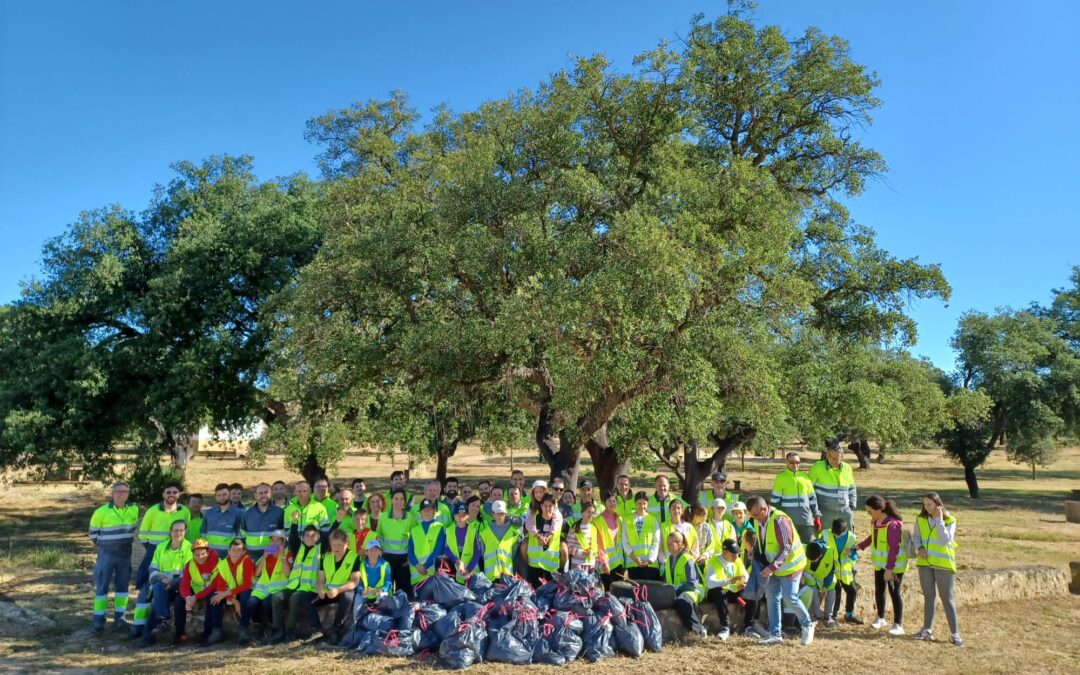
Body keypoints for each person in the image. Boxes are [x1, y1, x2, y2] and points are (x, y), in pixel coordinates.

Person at [746, 495, 814, 646]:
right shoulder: (759, 521)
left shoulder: (779, 520)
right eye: (753, 516)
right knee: (772, 597)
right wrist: (754, 550)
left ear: (765, 509)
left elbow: (786, 548)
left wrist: (771, 568)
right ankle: (775, 634)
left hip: (791, 566)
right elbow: (762, 540)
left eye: (757, 515)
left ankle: (807, 625)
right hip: (774, 567)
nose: (755, 519)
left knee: (790, 597)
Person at [133, 481, 190, 637]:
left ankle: (156, 623)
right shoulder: (152, 511)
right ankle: (137, 625)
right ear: (163, 494)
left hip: (176, 550)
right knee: (145, 589)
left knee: (158, 589)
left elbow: (185, 530)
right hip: (155, 551)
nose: (171, 495)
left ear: (179, 494)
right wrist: (153, 548)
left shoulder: (184, 511)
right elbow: (143, 534)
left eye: (174, 492)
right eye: (168, 492)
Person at [89, 481, 139, 632]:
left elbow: (135, 530)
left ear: (128, 494)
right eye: (118, 491)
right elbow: (93, 534)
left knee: (123, 586)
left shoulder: (133, 509)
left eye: (124, 491)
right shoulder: (101, 511)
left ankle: (120, 618)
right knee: (102, 585)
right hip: (107, 554)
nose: (121, 494)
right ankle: (99, 619)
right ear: (112, 493)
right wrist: (106, 546)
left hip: (125, 554)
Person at [913, 492, 962, 646]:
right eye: (924, 505)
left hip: (943, 564)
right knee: (929, 597)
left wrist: (939, 520)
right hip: (924, 563)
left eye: (929, 504)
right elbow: (916, 536)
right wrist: (919, 548)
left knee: (947, 598)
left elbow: (945, 540)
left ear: (937, 504)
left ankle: (955, 634)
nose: (927, 508)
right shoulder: (920, 519)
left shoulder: (950, 520)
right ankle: (927, 629)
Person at [856, 495, 907, 636]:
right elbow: (873, 538)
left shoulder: (893, 525)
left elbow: (894, 548)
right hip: (880, 564)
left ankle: (898, 624)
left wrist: (889, 569)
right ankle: (881, 617)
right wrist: (859, 547)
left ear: (878, 509)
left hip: (894, 566)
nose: (868, 514)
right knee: (879, 590)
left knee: (894, 592)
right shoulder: (875, 522)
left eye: (869, 511)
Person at [141, 520, 192, 645]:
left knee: (169, 600)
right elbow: (152, 568)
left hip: (182, 586)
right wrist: (163, 579)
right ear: (170, 532)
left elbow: (188, 573)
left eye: (181, 530)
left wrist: (173, 583)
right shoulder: (161, 547)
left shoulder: (189, 548)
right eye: (175, 530)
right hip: (163, 586)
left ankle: (160, 627)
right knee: (158, 589)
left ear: (185, 532)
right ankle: (161, 623)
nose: (178, 533)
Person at [271, 524, 323, 644]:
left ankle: (290, 633)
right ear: (303, 537)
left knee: (295, 598)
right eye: (307, 536)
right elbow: (293, 537)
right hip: (293, 585)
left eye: (313, 536)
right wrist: (294, 523)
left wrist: (338, 519)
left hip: (309, 588)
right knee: (276, 597)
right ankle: (277, 631)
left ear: (318, 537)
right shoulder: (299, 548)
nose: (309, 538)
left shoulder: (321, 549)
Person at [314, 528, 362, 645]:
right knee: (305, 599)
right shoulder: (326, 557)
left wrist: (338, 590)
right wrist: (320, 588)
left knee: (348, 597)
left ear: (346, 544)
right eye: (333, 544)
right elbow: (320, 578)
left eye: (339, 544)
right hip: (328, 591)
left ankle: (336, 629)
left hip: (343, 590)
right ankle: (316, 630)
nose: (336, 548)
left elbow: (354, 581)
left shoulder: (354, 557)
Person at [247, 530, 291, 643]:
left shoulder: (288, 554)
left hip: (278, 589)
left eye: (278, 540)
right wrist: (264, 557)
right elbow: (256, 573)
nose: (275, 542)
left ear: (283, 542)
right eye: (273, 540)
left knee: (267, 603)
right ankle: (258, 626)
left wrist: (282, 556)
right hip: (263, 589)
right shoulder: (266, 554)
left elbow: (287, 574)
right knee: (251, 603)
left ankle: (270, 628)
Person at [211, 537, 255, 646]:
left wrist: (227, 594)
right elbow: (220, 588)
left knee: (245, 597)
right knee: (215, 598)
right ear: (228, 551)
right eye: (233, 550)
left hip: (244, 590)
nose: (235, 552)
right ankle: (216, 631)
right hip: (231, 593)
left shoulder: (247, 561)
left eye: (239, 550)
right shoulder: (223, 564)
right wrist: (234, 602)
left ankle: (243, 630)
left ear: (244, 552)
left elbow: (247, 585)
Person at [175, 538, 220, 646]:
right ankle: (179, 634)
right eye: (197, 555)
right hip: (196, 591)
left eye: (203, 554)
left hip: (212, 590)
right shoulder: (190, 564)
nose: (200, 557)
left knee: (212, 599)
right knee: (178, 600)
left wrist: (196, 597)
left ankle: (207, 634)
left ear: (208, 552)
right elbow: (184, 583)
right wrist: (187, 598)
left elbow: (214, 584)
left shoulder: (218, 562)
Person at [771, 451, 822, 545]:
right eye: (792, 462)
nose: (795, 465)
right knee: (791, 547)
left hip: (806, 521)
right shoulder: (780, 478)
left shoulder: (805, 478)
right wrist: (775, 518)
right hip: (788, 521)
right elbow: (775, 501)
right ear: (786, 462)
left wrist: (817, 516)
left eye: (797, 462)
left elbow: (812, 499)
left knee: (809, 547)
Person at [662, 532, 707, 637]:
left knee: (682, 601)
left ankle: (699, 630)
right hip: (676, 591)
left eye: (671, 544)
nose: (668, 546)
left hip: (694, 590)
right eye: (667, 543)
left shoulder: (687, 559)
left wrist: (675, 589)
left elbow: (692, 583)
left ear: (681, 545)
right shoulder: (669, 559)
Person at [705, 539, 749, 640]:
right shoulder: (714, 561)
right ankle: (725, 626)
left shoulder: (737, 560)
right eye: (733, 554)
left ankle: (750, 626)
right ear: (725, 552)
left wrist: (744, 583)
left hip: (733, 591)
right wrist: (729, 581)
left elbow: (745, 575)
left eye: (737, 553)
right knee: (720, 591)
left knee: (752, 591)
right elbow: (710, 583)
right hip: (716, 593)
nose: (736, 556)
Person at [808, 442, 857, 533]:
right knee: (824, 538)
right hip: (824, 511)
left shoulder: (847, 468)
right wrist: (814, 511)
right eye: (831, 458)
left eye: (837, 458)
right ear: (827, 455)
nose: (834, 461)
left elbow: (851, 488)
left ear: (842, 457)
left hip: (845, 511)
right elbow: (809, 489)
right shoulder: (817, 467)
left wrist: (852, 506)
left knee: (848, 537)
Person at [375, 489, 413, 599]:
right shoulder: (384, 516)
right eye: (396, 498)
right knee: (387, 590)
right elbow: (378, 536)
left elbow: (414, 539)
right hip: (387, 559)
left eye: (402, 499)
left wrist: (410, 557)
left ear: (405, 502)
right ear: (391, 500)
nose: (399, 501)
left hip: (404, 560)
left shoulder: (410, 517)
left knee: (403, 591)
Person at [826, 518, 861, 625]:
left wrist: (851, 554)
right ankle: (834, 615)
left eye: (839, 534)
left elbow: (855, 556)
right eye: (835, 534)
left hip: (846, 573)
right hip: (832, 571)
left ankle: (849, 615)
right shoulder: (826, 534)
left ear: (845, 530)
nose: (837, 536)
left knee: (852, 591)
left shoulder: (851, 538)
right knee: (836, 592)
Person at [621, 491, 661, 581]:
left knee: (650, 592)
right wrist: (633, 557)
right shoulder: (627, 520)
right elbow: (624, 541)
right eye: (639, 503)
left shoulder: (653, 520)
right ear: (635, 503)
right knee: (636, 592)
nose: (642, 506)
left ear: (648, 504)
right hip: (633, 564)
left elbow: (656, 542)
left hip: (650, 565)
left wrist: (650, 560)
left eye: (644, 503)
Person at [525, 494, 563, 587]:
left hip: (551, 564)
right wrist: (539, 537)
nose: (548, 508)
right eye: (545, 506)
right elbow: (528, 525)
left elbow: (555, 528)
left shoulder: (558, 520)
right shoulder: (533, 519)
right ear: (541, 506)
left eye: (550, 506)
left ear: (554, 507)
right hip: (535, 564)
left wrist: (547, 537)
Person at [240, 482, 284, 562]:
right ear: (255, 495)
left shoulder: (279, 512)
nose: (263, 495)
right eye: (260, 493)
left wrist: (274, 550)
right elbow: (243, 536)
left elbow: (284, 536)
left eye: (266, 492)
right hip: (252, 556)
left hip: (273, 555)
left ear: (271, 494)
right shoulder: (247, 513)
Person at [408, 499, 447, 589]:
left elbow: (438, 550)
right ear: (420, 513)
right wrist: (417, 565)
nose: (427, 512)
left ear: (434, 511)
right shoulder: (414, 530)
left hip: (433, 574)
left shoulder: (439, 527)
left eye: (429, 510)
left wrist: (425, 566)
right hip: (417, 577)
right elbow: (410, 552)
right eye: (424, 510)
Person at [480, 500, 520, 581]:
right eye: (497, 513)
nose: (499, 516)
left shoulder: (513, 532)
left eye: (502, 514)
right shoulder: (484, 533)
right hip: (490, 576)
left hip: (507, 574)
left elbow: (514, 552)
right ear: (492, 514)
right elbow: (482, 552)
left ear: (506, 514)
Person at [566, 502, 609, 575]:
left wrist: (599, 564)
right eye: (588, 512)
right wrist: (582, 553)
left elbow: (596, 548)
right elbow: (569, 547)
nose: (590, 515)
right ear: (582, 513)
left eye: (593, 513)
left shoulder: (594, 528)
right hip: (577, 565)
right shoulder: (574, 528)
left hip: (592, 566)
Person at [202, 483, 243, 559]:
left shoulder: (239, 513)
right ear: (215, 497)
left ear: (229, 495)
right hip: (210, 556)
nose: (222, 497)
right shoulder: (209, 513)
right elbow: (203, 535)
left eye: (224, 494)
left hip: (229, 557)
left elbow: (240, 537)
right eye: (219, 495)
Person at [445, 503, 482, 583]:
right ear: (454, 516)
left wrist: (468, 569)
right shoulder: (448, 530)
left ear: (468, 516)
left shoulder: (474, 530)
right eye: (458, 515)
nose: (461, 517)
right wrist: (457, 561)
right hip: (456, 571)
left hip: (472, 573)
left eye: (464, 515)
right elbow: (446, 549)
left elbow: (478, 551)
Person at [802, 541, 836, 625]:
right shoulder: (804, 548)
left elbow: (831, 571)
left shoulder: (830, 552)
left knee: (831, 590)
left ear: (820, 556)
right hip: (808, 575)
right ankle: (816, 616)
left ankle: (828, 617)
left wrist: (825, 586)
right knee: (812, 590)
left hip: (823, 577)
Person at [597, 492, 624, 589]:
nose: (612, 503)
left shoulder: (619, 519)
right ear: (604, 503)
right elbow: (598, 544)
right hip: (606, 565)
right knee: (608, 593)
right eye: (609, 501)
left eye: (614, 500)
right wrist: (604, 562)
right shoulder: (598, 520)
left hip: (619, 563)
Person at [660, 499, 696, 566]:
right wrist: (664, 561)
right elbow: (660, 547)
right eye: (673, 508)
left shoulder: (689, 527)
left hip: (686, 564)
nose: (676, 510)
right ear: (669, 510)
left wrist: (692, 560)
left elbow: (695, 547)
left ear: (682, 510)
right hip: (669, 564)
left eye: (678, 508)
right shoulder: (663, 526)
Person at [359, 538, 394, 604]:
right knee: (358, 599)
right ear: (366, 552)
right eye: (371, 550)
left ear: (379, 552)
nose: (373, 552)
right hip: (366, 594)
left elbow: (388, 583)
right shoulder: (362, 565)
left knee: (382, 598)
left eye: (376, 550)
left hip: (380, 593)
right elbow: (359, 583)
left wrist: (381, 590)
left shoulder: (385, 565)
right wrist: (361, 590)